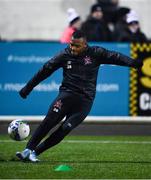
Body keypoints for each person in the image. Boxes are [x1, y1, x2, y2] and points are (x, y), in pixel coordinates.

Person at [16, 30, 143, 162]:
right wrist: (28, 87)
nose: (72, 48)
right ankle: (27, 150)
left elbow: (116, 57)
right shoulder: (64, 55)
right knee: (49, 121)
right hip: (66, 95)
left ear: (84, 45)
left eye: (76, 46)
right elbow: (45, 70)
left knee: (65, 129)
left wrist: (133, 63)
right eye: (71, 44)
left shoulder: (96, 53)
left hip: (85, 101)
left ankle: (35, 153)